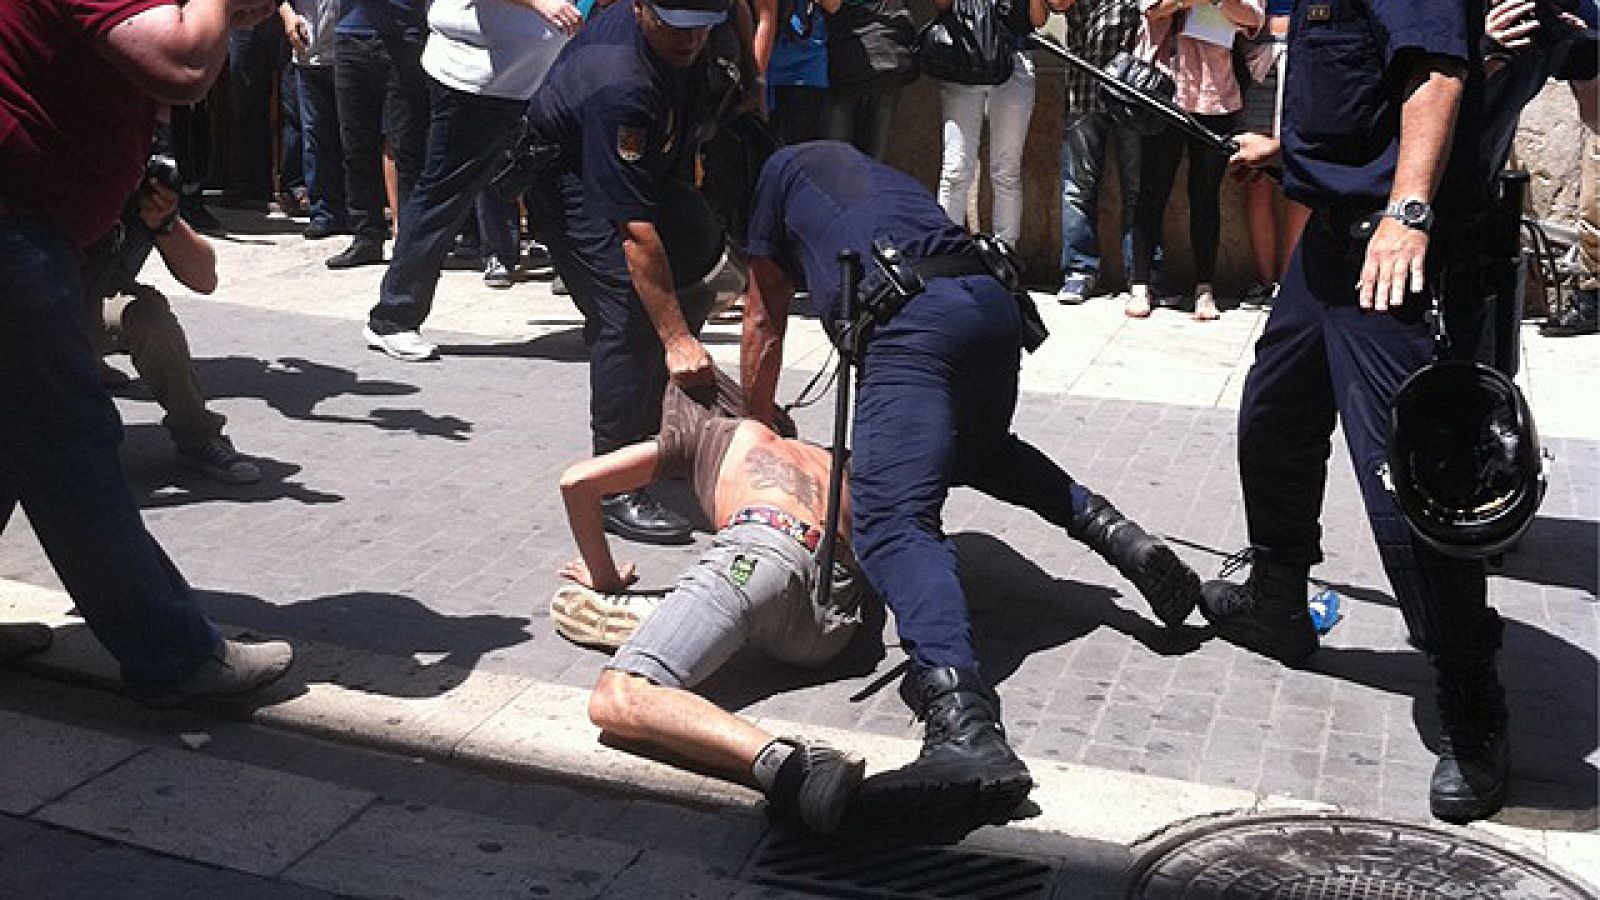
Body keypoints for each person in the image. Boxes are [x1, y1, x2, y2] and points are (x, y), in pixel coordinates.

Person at [740, 141, 1204, 823]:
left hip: (914, 321)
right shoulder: (879, 172)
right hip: (991, 302)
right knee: (978, 449)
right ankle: (1123, 540)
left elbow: (761, 317)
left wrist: (758, 431)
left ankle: (963, 726)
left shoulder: (773, 177)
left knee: (892, 520)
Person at [1202, 0, 1554, 824]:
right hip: (1325, 246)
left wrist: (1407, 213)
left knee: (1412, 486)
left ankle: (1471, 700)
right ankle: (1278, 602)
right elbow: (1359, 95)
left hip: (1385, 257)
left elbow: (1436, 74)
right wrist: (1286, 151)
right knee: (1272, 422)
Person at [1, 0, 292, 702]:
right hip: (14, 229)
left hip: (29, 227)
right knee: (70, 446)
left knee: (12, 443)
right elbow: (184, 64)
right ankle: (175, 656)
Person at [556, 371, 866, 834]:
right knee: (748, 596)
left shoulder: (714, 434)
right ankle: (684, 619)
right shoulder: (831, 461)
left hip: (757, 555)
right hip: (833, 619)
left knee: (618, 698)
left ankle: (795, 768)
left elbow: (577, 481)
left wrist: (604, 576)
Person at [522, 0, 744, 545]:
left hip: (647, 159)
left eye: (701, 30)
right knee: (625, 310)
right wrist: (677, 339)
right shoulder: (620, 82)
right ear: (641, 7)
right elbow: (635, 232)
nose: (690, 42)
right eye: (676, 28)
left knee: (693, 247)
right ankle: (613, 486)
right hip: (569, 174)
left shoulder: (687, 36)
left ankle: (659, 437)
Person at [360, 0, 577, 361]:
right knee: (442, 198)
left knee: (566, 189)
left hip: (537, 76)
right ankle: (392, 318)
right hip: (476, 82)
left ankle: (607, 313)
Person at [81, 163, 262, 485]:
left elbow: (204, 279)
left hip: (91, 306)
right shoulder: (51, 181)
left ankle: (197, 436)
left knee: (149, 315)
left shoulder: (137, 195)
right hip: (31, 311)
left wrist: (163, 222)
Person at [1125, 0, 1263, 321]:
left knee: (1205, 193)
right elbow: (1151, 9)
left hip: (1216, 91)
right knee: (1151, 189)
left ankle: (1205, 288)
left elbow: (1253, 19)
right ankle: (1140, 285)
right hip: (1163, 86)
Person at [1046, 0, 1144, 306]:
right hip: (1084, 90)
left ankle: (1141, 275)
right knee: (1078, 189)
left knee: (1137, 189)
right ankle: (1079, 271)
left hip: (1133, 94)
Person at [324, 0, 431, 269]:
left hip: (405, 38)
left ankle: (410, 241)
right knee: (355, 146)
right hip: (351, 36)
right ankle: (366, 236)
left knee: (407, 146)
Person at [933, 0, 1049, 247]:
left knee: (1006, 170)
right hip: (965, 57)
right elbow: (942, 6)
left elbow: (1038, 20)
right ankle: (947, 251)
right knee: (955, 169)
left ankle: (1005, 252)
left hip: (1013, 59)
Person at [1233, 0, 1304, 309]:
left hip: (1306, 57)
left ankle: (1289, 285)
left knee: (1300, 175)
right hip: (1257, 58)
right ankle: (1265, 281)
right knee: (1257, 176)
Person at [282, 0, 349, 240]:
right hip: (310, 52)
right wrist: (289, 17)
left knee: (352, 137)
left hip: (350, 50)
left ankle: (356, 212)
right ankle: (323, 212)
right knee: (315, 135)